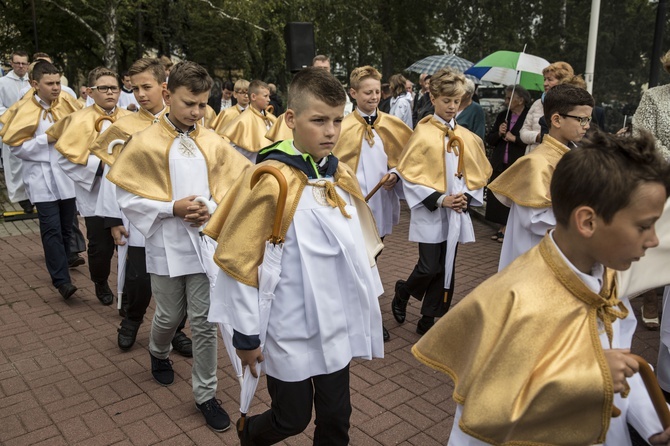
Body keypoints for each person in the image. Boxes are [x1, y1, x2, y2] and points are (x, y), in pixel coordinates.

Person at [412, 130, 670, 445]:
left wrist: (654, 421)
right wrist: (591, 378)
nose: (654, 240)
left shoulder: (609, 280)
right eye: (644, 226)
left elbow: (622, 367)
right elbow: (487, 414)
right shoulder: (515, 299)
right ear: (587, 222)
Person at [206, 66, 384, 445]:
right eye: (318, 120)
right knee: (292, 418)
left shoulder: (337, 175)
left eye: (337, 120)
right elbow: (241, 263)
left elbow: (356, 248)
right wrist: (246, 334)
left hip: (333, 322)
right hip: (289, 326)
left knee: (337, 418)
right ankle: (251, 434)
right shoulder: (272, 181)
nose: (331, 131)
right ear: (291, 119)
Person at [107, 61, 251, 432]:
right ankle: (158, 351)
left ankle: (205, 393)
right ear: (168, 96)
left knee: (204, 323)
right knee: (169, 317)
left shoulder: (211, 139)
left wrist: (211, 208)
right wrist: (171, 207)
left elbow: (233, 186)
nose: (197, 112)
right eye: (190, 103)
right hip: (165, 243)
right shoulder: (145, 141)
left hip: (204, 245)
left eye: (203, 105)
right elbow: (127, 194)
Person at [392, 68, 492, 335]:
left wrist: (466, 199)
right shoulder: (423, 134)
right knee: (428, 266)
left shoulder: (467, 137)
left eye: (456, 101)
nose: (451, 106)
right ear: (433, 98)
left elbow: (475, 174)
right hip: (432, 209)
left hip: (455, 211)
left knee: (447, 264)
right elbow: (410, 175)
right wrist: (439, 199)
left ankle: (429, 316)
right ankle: (403, 290)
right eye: (446, 100)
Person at [333, 65, 413, 343]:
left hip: (380, 202)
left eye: (378, 91)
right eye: (368, 92)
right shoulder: (342, 126)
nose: (374, 96)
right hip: (353, 204)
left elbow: (405, 158)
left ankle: (360, 311)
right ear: (353, 93)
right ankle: (367, 316)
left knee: (372, 257)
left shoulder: (391, 124)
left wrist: (396, 174)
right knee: (361, 260)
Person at [47, 67, 131, 306]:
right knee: (100, 247)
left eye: (114, 88)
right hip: (94, 193)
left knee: (128, 243)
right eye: (103, 88)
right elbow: (64, 158)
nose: (110, 93)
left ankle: (128, 288)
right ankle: (100, 281)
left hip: (125, 193)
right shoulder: (78, 120)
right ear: (90, 92)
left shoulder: (130, 118)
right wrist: (101, 167)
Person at [489, 84, 594, 271]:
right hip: (535, 256)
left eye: (589, 119)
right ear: (557, 119)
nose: (587, 126)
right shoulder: (536, 163)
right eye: (581, 119)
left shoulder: (576, 154)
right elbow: (535, 220)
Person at [0, 60, 81, 299]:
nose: (56, 88)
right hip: (41, 179)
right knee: (51, 229)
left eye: (58, 82)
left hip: (66, 177)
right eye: (50, 83)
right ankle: (61, 281)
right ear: (35, 84)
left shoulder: (67, 102)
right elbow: (16, 147)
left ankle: (64, 264)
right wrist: (45, 140)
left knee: (67, 228)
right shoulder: (23, 109)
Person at [635, 49, 670, 355]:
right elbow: (643, 137)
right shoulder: (655, 97)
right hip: (662, 183)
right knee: (656, 246)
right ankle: (650, 294)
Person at [484, 85, 531, 242]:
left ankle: (506, 229)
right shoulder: (504, 116)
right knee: (497, 196)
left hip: (516, 162)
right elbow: (490, 139)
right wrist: (499, 133)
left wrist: (515, 139)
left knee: (511, 196)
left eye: (509, 98)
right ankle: (501, 227)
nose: (505, 101)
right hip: (500, 162)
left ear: (520, 100)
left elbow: (531, 140)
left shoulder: (528, 116)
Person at [0, 50, 32, 213]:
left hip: (32, 129)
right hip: (12, 128)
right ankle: (21, 198)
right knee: (15, 164)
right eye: (17, 63)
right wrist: (15, 114)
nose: (21, 66)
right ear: (11, 63)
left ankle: (33, 196)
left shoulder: (32, 82)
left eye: (24, 63)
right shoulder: (2, 83)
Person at [519, 61, 573, 153]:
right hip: (533, 158)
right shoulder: (537, 103)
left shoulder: (572, 105)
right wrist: (537, 137)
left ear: (563, 82)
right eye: (544, 79)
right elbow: (523, 132)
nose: (545, 83)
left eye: (550, 79)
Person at [221, 79, 276, 163]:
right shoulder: (242, 121)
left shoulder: (270, 118)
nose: (268, 99)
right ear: (253, 97)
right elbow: (232, 149)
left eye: (269, 96)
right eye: (265, 96)